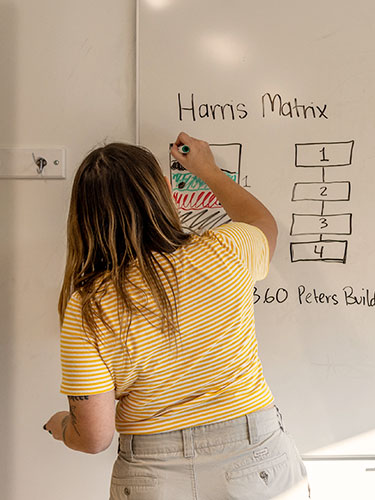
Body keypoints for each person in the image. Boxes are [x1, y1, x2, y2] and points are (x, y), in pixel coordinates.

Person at [44, 132, 310, 499]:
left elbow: (93, 437)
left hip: (151, 475)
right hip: (255, 459)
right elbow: (262, 222)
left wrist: (61, 425)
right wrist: (209, 171)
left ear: (84, 219)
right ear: (165, 193)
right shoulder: (225, 249)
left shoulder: (87, 306)